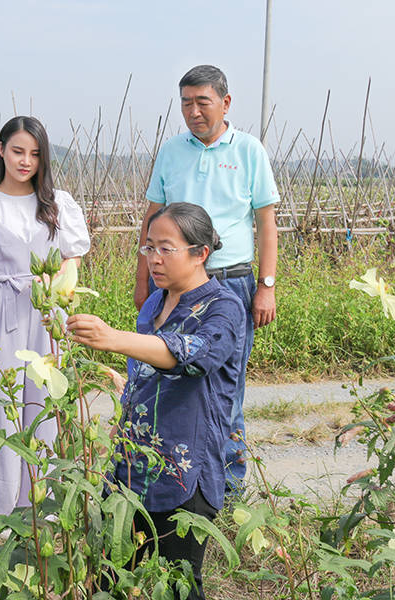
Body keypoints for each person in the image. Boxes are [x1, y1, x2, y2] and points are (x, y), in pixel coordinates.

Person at [69, 202, 245, 600]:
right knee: (111, 576)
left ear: (200, 253)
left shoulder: (224, 307)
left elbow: (192, 356)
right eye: (149, 248)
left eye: (166, 248)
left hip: (185, 472)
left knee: (180, 583)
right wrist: (115, 390)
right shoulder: (154, 303)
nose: (154, 259)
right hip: (130, 468)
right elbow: (143, 375)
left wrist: (111, 338)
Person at [132, 65, 279, 492]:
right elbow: (152, 219)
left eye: (202, 102)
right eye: (186, 102)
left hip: (228, 282)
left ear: (225, 103)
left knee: (224, 390)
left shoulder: (249, 151)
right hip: (174, 284)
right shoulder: (172, 151)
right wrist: (143, 276)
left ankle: (227, 486)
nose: (193, 111)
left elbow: (266, 222)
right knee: (166, 383)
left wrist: (266, 286)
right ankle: (172, 480)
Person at [0, 116, 90, 516]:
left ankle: (43, 509)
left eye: (34, 154)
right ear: (1, 150)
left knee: (46, 399)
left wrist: (60, 301)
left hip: (48, 312)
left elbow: (72, 258)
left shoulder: (56, 203)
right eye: (17, 151)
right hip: (4, 311)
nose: (25, 161)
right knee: (3, 403)